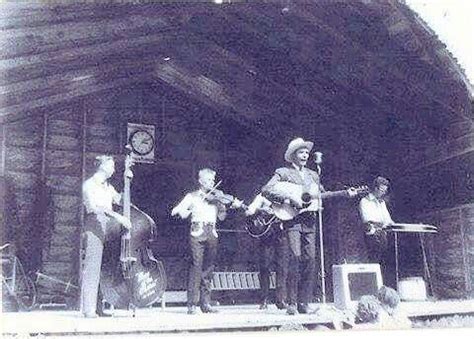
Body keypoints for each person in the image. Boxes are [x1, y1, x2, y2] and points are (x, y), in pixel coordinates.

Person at [262, 137, 356, 315]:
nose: (305, 154)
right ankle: (291, 302)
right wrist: (287, 199)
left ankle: (304, 302)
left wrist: (345, 193)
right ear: (293, 155)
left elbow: (322, 195)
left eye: (306, 152)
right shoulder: (283, 172)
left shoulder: (313, 175)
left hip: (309, 221)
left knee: (310, 259)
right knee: (295, 257)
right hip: (292, 220)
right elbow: (266, 189)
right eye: (301, 152)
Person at [171, 168, 242, 315]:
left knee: (209, 268)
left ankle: (205, 303)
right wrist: (187, 210)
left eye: (213, 180)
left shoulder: (217, 197)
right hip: (197, 231)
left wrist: (228, 205)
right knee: (196, 266)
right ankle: (192, 304)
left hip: (212, 231)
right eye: (209, 180)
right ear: (201, 181)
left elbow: (222, 217)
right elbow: (176, 211)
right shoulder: (192, 196)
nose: (212, 183)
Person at [81, 155, 131, 318]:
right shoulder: (89, 184)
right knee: (93, 268)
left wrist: (127, 180)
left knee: (104, 269)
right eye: (112, 166)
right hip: (94, 226)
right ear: (102, 166)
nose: (114, 169)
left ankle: (98, 307)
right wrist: (119, 218)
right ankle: (89, 309)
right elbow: (95, 207)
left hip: (108, 228)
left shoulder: (108, 186)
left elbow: (120, 200)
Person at [245, 193, 288, 310]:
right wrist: (261, 209)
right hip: (266, 234)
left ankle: (281, 300)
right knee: (265, 267)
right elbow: (249, 211)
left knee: (282, 267)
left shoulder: (286, 196)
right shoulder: (262, 197)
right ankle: (264, 299)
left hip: (282, 232)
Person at [359, 176, 395, 286]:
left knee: (385, 261)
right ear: (375, 188)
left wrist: (395, 225)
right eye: (381, 190)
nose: (383, 193)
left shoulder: (382, 202)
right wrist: (377, 227)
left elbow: (388, 219)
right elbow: (366, 219)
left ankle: (384, 286)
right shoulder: (365, 201)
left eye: (385, 191)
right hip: (372, 234)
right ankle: (373, 286)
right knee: (374, 260)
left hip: (383, 233)